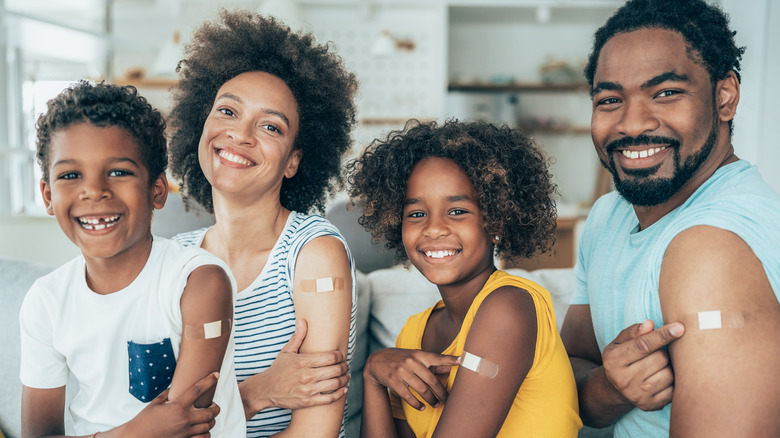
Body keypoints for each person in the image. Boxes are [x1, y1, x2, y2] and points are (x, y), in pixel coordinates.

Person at [560, 0, 780, 436]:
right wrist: (609, 388)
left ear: (725, 96)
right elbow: (565, 370)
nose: (633, 124)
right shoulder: (608, 215)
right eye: (610, 99)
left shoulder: (711, 249)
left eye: (666, 92)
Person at [167, 10, 358, 437]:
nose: (241, 134)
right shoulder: (175, 258)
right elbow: (157, 420)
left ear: (293, 161)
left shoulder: (313, 253)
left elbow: (316, 433)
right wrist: (261, 392)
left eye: (270, 126)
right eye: (227, 111)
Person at [19, 81, 245, 437]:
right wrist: (135, 432)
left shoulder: (200, 283)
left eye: (119, 171)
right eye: (70, 175)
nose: (94, 190)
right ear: (48, 195)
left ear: (157, 190)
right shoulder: (46, 301)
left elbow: (184, 428)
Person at [348, 119, 582, 437]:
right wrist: (373, 375)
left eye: (457, 211)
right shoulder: (413, 332)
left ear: (496, 222)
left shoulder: (508, 307)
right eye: (416, 214)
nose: (433, 228)